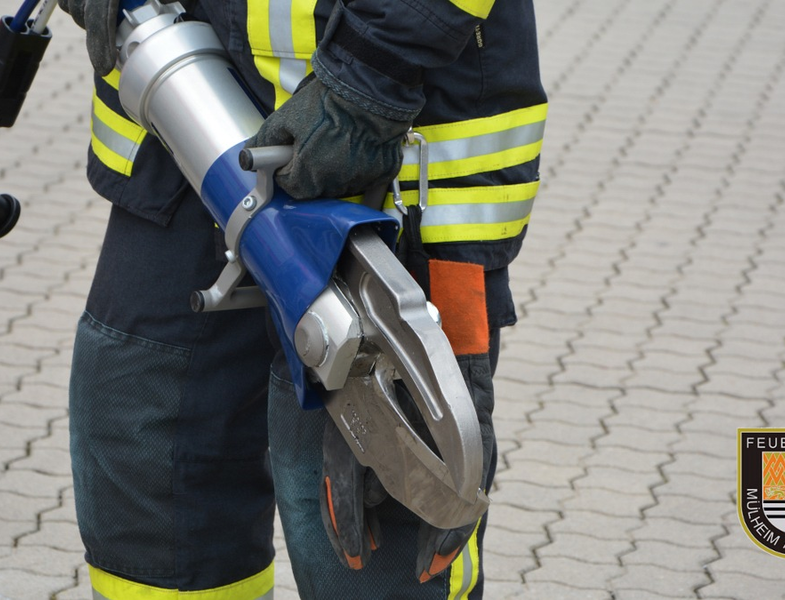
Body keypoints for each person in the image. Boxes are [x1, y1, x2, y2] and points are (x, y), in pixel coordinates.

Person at [59, 0, 547, 598]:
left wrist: (370, 73)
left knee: (373, 542)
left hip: (383, 153)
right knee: (145, 473)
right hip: (179, 114)